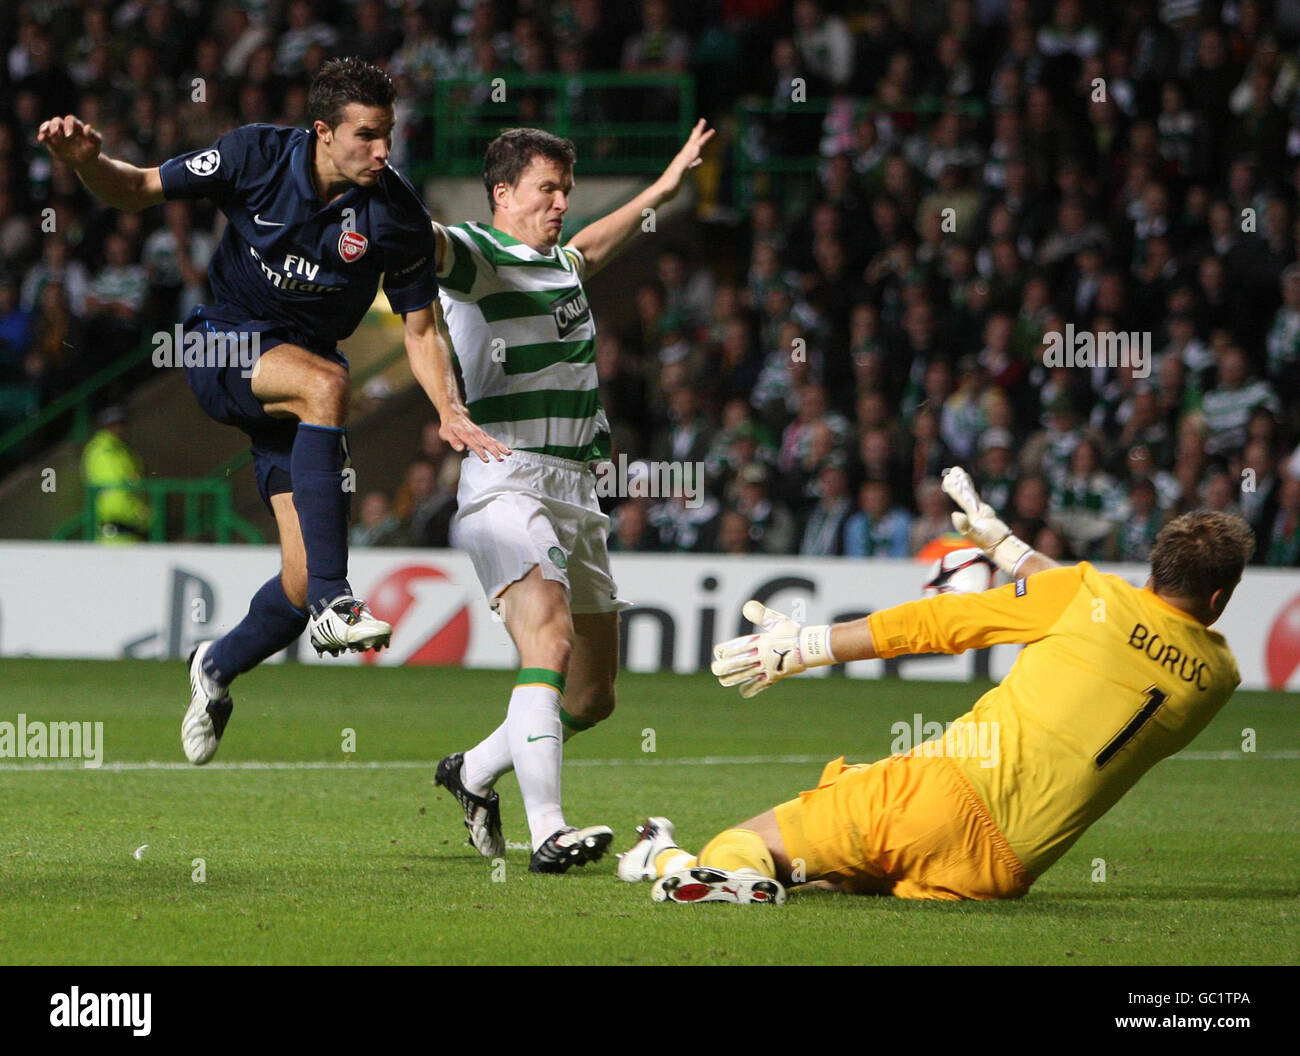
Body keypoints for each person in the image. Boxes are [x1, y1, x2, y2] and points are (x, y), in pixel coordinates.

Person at [38, 57, 505, 765]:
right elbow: (133, 190)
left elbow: (418, 329)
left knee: (293, 577)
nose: (384, 151)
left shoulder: (397, 215)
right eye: (368, 135)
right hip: (221, 345)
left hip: (295, 380)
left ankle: (217, 667)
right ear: (323, 131)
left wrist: (448, 407)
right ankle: (336, 601)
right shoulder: (253, 155)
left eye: (389, 134)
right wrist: (86, 162)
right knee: (328, 388)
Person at [618, 466, 1252, 904]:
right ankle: (764, 878)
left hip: (941, 794)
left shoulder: (1087, 593)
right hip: (1000, 869)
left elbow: (942, 621)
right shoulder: (1218, 677)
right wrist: (1004, 544)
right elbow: (1110, 616)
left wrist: (806, 647)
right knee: (836, 872)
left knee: (744, 844)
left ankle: (666, 861)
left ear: (1154, 564)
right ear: (1220, 595)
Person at [431, 120, 715, 873]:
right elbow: (422, 239)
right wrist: (365, 179)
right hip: (506, 477)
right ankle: (549, 829)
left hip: (575, 490)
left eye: (566, 190)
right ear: (502, 194)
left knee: (591, 698)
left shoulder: (559, 262)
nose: (560, 203)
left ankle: (472, 771)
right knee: (548, 639)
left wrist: (661, 187)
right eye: (545, 190)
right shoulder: (473, 256)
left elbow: (591, 248)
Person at [81, 406, 151, 543]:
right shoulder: (106, 451)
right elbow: (117, 494)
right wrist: (142, 515)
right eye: (115, 424)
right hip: (118, 531)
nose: (119, 428)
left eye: (121, 423)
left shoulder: (120, 450)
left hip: (124, 531)